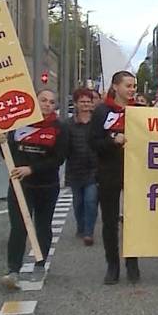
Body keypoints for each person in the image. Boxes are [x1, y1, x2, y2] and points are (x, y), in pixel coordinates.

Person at [0, 90, 69, 290]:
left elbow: (59, 158)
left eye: (52, 102)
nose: (47, 104)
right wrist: (0, 143)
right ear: (35, 101)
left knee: (43, 226)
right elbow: (8, 154)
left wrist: (32, 169)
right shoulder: (18, 126)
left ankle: (40, 263)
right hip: (21, 187)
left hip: (46, 186)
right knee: (19, 228)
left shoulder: (59, 128)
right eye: (43, 100)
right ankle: (13, 270)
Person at [90, 71, 139, 285]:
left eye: (134, 86)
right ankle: (112, 265)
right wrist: (113, 140)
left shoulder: (139, 111)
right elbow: (93, 142)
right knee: (110, 222)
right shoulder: (102, 111)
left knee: (133, 220)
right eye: (128, 85)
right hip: (108, 171)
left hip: (135, 171)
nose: (131, 90)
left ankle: (132, 263)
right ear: (115, 86)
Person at [65, 88, 99, 246]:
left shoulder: (98, 122)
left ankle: (88, 232)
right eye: (82, 102)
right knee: (78, 202)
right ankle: (81, 225)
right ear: (76, 104)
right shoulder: (68, 124)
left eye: (88, 101)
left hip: (94, 170)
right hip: (75, 169)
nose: (85, 104)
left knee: (91, 201)